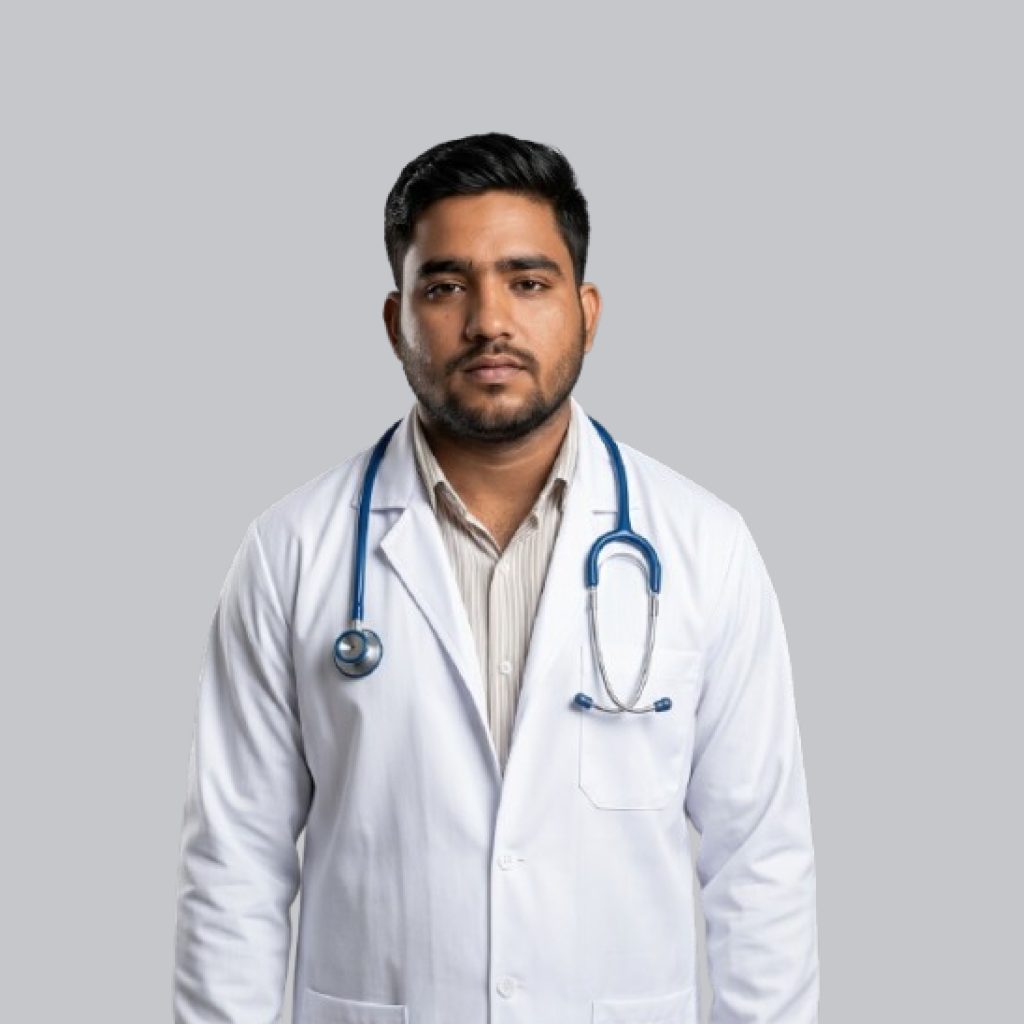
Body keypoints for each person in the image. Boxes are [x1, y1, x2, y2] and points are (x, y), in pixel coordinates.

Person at [173, 132, 820, 1023]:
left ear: (586, 311)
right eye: (445, 286)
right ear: (395, 319)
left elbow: (760, 860)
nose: (488, 321)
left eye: (528, 282)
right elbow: (234, 866)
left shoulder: (706, 546)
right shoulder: (292, 550)